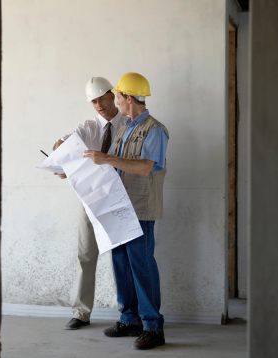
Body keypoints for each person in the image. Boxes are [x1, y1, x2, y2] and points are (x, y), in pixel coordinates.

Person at [83, 72, 169, 350]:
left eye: (118, 96)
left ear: (128, 98)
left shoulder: (155, 129)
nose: (115, 101)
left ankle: (153, 327)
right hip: (119, 206)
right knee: (121, 261)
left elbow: (146, 167)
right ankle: (130, 318)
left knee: (142, 265)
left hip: (141, 208)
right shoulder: (125, 127)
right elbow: (115, 165)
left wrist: (107, 158)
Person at [53, 77, 129, 330]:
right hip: (90, 199)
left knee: (123, 258)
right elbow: (61, 144)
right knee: (85, 255)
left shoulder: (129, 124)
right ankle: (81, 313)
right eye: (93, 101)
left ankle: (129, 314)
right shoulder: (87, 127)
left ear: (112, 96)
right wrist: (61, 156)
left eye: (102, 99)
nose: (98, 105)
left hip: (121, 199)